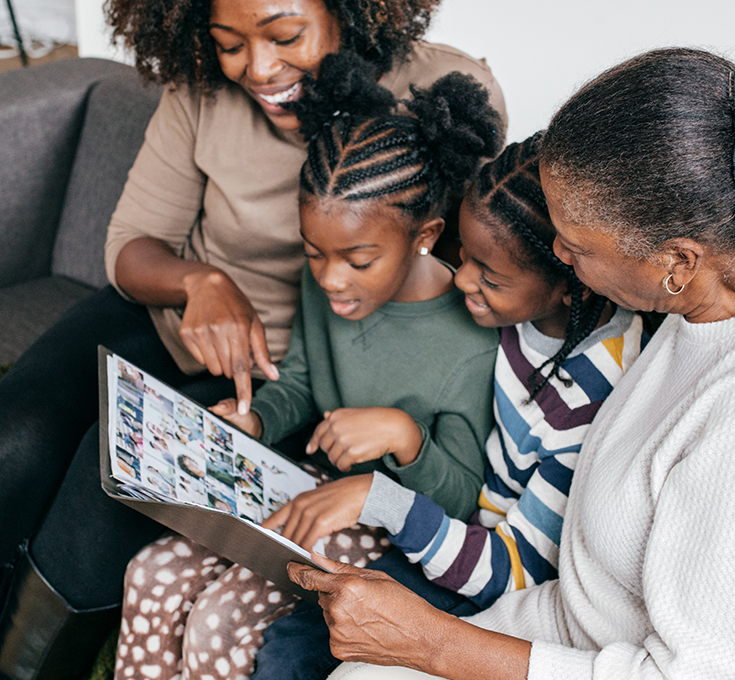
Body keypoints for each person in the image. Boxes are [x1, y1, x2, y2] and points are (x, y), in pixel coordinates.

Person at [282, 48, 735, 680]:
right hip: (564, 628)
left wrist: (428, 642)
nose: (557, 256)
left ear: (677, 263)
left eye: (574, 248)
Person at [0, 0, 507, 677]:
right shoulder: (203, 94)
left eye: (285, 34)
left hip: (288, 363)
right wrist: (199, 282)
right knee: (18, 430)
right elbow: (129, 248)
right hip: (189, 314)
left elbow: (478, 272)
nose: (258, 67)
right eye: (228, 42)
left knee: (104, 472)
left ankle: (31, 663)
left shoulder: (441, 99)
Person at [249, 132, 648, 680]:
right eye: (463, 256)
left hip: (496, 572)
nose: (460, 279)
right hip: (454, 535)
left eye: (489, 275)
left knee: (296, 654)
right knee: (296, 637)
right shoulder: (520, 311)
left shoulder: (588, 399)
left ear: (569, 279)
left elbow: (513, 571)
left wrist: (378, 496)